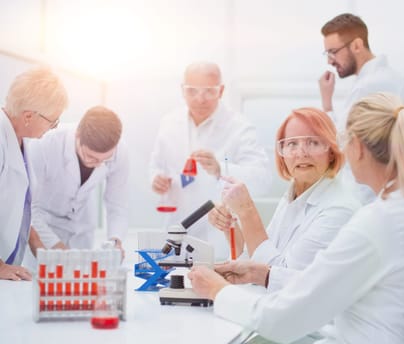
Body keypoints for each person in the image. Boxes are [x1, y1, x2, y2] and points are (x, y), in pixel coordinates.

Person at [188, 92, 404, 344]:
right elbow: (325, 284)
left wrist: (217, 290)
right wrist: (265, 274)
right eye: (291, 144)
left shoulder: (376, 224)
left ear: (358, 148)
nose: (301, 152)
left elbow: (282, 320)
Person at [208, 107, 360, 292]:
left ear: (331, 151)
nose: (301, 153)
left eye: (313, 142)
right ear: (282, 153)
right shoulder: (293, 195)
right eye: (292, 144)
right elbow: (254, 261)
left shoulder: (339, 209)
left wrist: (247, 212)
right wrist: (231, 225)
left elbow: (279, 276)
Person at [150, 62, 270, 260]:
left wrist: (219, 169)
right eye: (192, 91)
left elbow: (262, 180)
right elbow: (156, 165)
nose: (200, 99)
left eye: (208, 91)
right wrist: (156, 179)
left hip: (218, 239)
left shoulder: (240, 127)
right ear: (182, 91)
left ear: (221, 91)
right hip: (175, 234)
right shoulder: (168, 123)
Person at [28, 106, 129, 257]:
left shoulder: (120, 151)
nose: (98, 164)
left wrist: (115, 241)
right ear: (77, 135)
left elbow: (117, 204)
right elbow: (29, 206)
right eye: (91, 157)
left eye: (105, 160)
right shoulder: (45, 143)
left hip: (82, 230)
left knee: (82, 277)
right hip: (43, 228)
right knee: (43, 278)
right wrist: (56, 246)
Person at [0, 66, 68, 281]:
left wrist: (37, 244)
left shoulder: (18, 139)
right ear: (28, 116)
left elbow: (18, 202)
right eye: (52, 121)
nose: (53, 127)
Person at [318, 13, 404, 132]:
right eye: (327, 54)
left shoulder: (368, 86)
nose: (329, 61)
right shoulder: (387, 76)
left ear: (356, 46)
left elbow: (339, 141)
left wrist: (326, 103)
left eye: (333, 52)